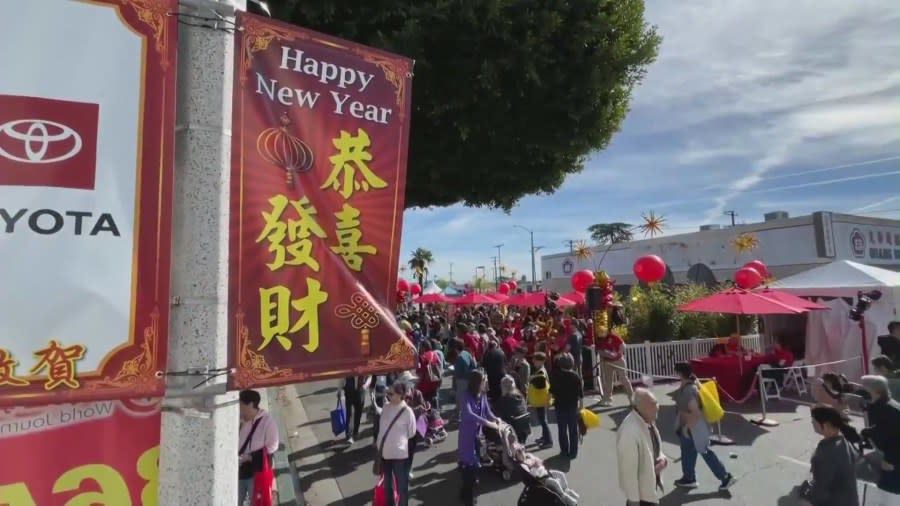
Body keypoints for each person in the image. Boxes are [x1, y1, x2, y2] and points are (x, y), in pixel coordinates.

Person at [672, 362, 736, 491]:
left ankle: (725, 477)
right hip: (693, 426)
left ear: (679, 373)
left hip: (694, 427)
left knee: (704, 451)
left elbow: (694, 412)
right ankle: (689, 478)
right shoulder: (690, 385)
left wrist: (685, 428)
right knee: (687, 450)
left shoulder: (688, 390)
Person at [798, 405, 860, 506]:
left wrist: (808, 500)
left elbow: (821, 487)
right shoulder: (843, 441)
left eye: (814, 421)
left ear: (825, 425)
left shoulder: (828, 452)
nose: (812, 423)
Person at [458, 369, 501, 506]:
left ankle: (465, 491)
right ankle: (467, 498)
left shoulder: (482, 394)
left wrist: (496, 419)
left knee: (476, 464)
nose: (486, 382)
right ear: (477, 382)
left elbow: (487, 411)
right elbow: (469, 414)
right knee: (469, 465)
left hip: (478, 434)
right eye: (484, 380)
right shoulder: (465, 396)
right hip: (467, 436)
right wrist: (488, 423)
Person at [617, 388, 666, 506]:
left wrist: (663, 460)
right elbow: (628, 471)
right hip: (642, 499)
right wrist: (634, 501)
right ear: (640, 407)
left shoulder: (647, 420)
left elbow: (655, 447)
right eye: (653, 404)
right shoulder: (629, 431)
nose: (658, 406)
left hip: (649, 491)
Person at [376, 381, 417, 506]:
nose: (388, 395)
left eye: (391, 393)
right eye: (388, 393)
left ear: (400, 395)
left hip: (400, 455)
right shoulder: (386, 407)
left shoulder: (407, 411)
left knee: (402, 486)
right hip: (385, 454)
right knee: (387, 486)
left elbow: (412, 432)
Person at [238, 389, 280, 506]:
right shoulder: (239, 419)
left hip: (256, 470)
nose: (239, 407)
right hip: (238, 469)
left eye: (241, 404)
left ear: (250, 404)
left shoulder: (267, 421)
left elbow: (273, 446)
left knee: (256, 502)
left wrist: (250, 457)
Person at [860, 375, 900, 494]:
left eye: (865, 389)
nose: (862, 392)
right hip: (889, 457)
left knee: (888, 493)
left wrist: (893, 464)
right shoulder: (884, 404)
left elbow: (889, 435)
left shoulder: (887, 410)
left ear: (876, 391)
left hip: (893, 462)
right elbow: (881, 429)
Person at [549, 352, 583, 459]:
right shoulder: (576, 376)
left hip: (560, 406)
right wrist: (581, 406)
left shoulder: (555, 376)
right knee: (573, 430)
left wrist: (547, 402)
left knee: (562, 430)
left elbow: (551, 392)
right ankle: (573, 452)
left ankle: (564, 450)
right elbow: (580, 394)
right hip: (572, 406)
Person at [598, 330, 634, 407]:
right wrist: (606, 354)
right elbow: (600, 350)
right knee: (608, 380)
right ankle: (607, 399)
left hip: (618, 360)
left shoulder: (614, 336)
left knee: (623, 378)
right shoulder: (600, 339)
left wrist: (618, 354)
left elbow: (623, 345)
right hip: (607, 362)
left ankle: (631, 398)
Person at [495, 375, 532, 443]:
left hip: (513, 429)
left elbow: (498, 414)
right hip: (524, 427)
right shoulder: (520, 396)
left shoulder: (504, 399)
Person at [527, 351, 553, 448]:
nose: (533, 361)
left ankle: (549, 441)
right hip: (541, 400)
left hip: (541, 400)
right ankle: (544, 437)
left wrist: (532, 378)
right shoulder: (540, 369)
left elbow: (540, 382)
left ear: (540, 361)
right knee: (543, 419)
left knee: (543, 421)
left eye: (535, 359)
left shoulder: (541, 371)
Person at [453, 338, 477, 415]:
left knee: (460, 398)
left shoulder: (459, 357)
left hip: (462, 380)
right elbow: (473, 365)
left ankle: (460, 415)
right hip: (469, 378)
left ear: (456, 348)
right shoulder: (467, 353)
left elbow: (457, 372)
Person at [340, 376, 366, 444]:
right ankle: (349, 436)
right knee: (349, 414)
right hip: (349, 392)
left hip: (360, 391)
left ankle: (356, 432)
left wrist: (366, 385)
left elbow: (370, 376)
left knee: (359, 413)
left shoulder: (363, 366)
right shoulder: (347, 366)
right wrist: (339, 390)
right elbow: (342, 377)